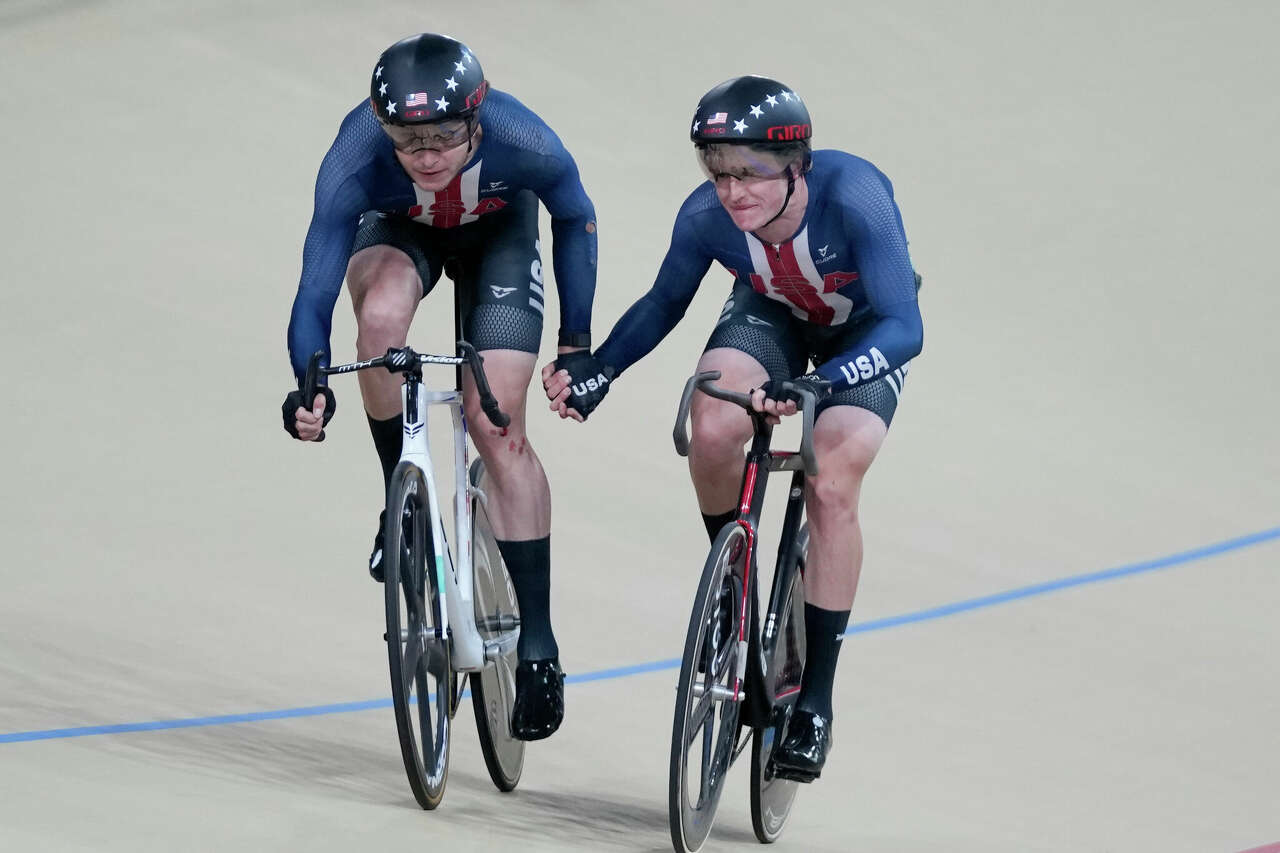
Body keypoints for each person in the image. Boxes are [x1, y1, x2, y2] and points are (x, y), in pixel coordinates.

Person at [541, 75, 922, 779]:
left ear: (797, 164)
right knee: (713, 421)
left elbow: (907, 326)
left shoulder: (856, 194)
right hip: (772, 312)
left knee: (832, 480)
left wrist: (822, 382)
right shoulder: (704, 218)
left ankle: (813, 705)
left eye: (751, 172)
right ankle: (733, 581)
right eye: (719, 172)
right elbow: (664, 302)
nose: (733, 191)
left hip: (862, 335)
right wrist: (601, 369)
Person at [282, 33, 600, 741]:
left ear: (477, 119)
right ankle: (400, 500)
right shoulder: (356, 152)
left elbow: (576, 215)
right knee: (380, 322)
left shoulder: (523, 139)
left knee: (498, 424)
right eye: (408, 139)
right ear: (383, 125)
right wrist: (310, 379)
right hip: (402, 233)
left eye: (446, 136)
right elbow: (314, 290)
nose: (427, 155)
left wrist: (575, 343)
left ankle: (540, 646)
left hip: (500, 238)